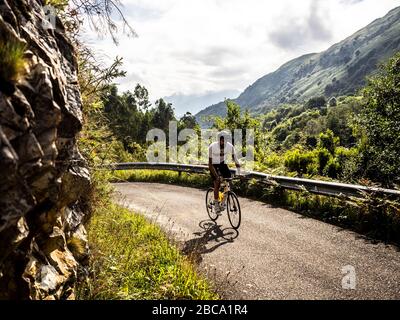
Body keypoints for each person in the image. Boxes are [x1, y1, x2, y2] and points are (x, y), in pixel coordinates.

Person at [208, 131, 241, 214]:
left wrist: (239, 172)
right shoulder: (212, 147)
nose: (223, 142)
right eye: (222, 141)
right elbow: (210, 164)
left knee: (229, 182)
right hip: (213, 165)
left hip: (222, 163)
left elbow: (236, 160)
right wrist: (216, 176)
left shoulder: (230, 146)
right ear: (218, 140)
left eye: (225, 140)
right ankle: (216, 204)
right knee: (217, 183)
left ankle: (224, 202)